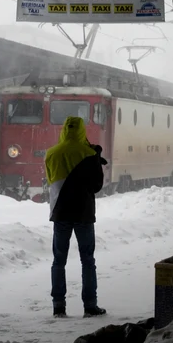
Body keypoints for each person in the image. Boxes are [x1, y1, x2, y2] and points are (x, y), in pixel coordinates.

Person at [45, 116, 107, 319]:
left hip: (60, 212)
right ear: (82, 131)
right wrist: (95, 157)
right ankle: (90, 305)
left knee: (58, 261)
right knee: (87, 260)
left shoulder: (52, 154)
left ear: (64, 130)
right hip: (83, 213)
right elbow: (97, 186)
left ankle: (58, 306)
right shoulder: (89, 154)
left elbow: (50, 179)